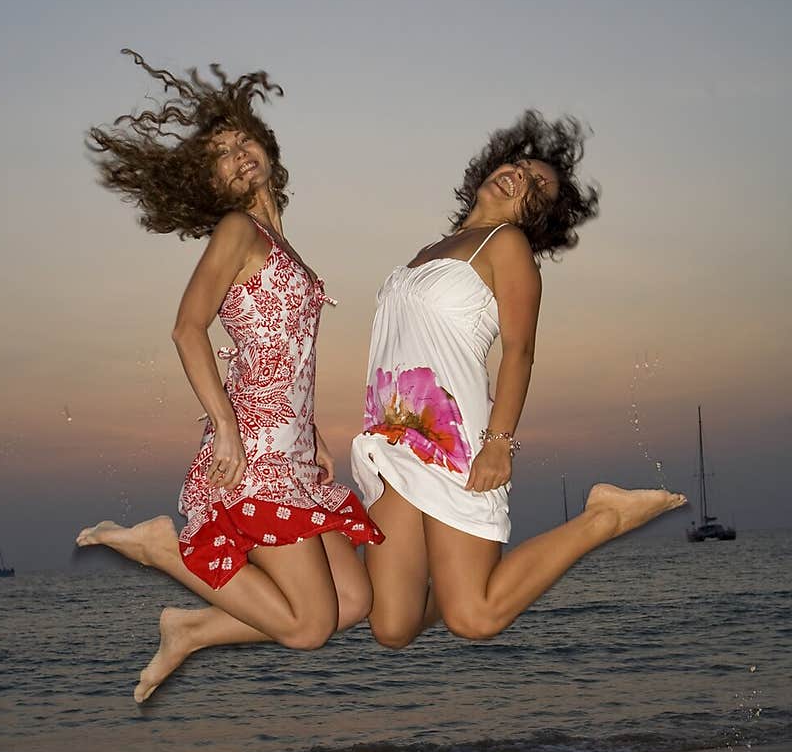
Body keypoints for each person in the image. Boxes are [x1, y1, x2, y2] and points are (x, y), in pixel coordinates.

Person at [77, 51, 382, 700]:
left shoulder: (279, 238)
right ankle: (163, 549)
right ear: (213, 182)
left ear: (266, 145)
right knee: (307, 627)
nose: (240, 153)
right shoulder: (237, 229)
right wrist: (223, 430)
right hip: (255, 452)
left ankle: (189, 631)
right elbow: (188, 328)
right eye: (223, 153)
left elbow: (287, 352)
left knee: (354, 601)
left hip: (294, 448)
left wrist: (316, 434)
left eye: (245, 139)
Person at [350, 110, 686, 649]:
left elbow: (520, 352)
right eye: (519, 166)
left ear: (537, 216)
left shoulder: (505, 245)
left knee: (474, 619)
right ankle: (465, 584)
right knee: (392, 627)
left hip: (455, 444)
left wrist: (499, 443)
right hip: (391, 443)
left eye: (536, 186)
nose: (518, 177)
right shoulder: (426, 253)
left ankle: (603, 517)